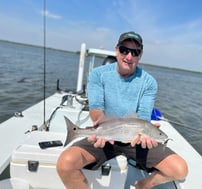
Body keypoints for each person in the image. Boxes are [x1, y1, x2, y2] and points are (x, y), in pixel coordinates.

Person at [57, 31, 188, 189]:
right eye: (124, 50)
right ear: (116, 49)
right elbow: (96, 107)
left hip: (135, 141)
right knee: (65, 163)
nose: (129, 56)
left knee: (180, 170)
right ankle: (77, 133)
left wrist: (147, 135)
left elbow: (143, 117)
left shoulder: (149, 82)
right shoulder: (98, 75)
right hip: (106, 135)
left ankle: (143, 185)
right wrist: (100, 121)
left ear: (140, 55)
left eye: (135, 52)